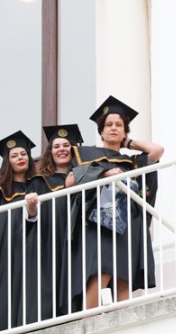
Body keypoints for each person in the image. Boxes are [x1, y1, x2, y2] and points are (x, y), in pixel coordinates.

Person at [69, 95, 165, 307]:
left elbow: (157, 150)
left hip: (128, 223)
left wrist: (128, 143)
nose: (113, 128)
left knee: (124, 274)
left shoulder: (132, 162)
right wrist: (104, 173)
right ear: (101, 131)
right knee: (101, 270)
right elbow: (69, 181)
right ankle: (89, 317)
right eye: (109, 125)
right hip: (99, 222)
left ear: (125, 131)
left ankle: (123, 316)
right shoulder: (87, 154)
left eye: (119, 125)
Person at [0, 132, 45, 333]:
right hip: (3, 247)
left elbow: (39, 218)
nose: (20, 158)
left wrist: (32, 209)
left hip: (30, 245)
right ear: (7, 161)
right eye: (15, 155)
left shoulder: (39, 185)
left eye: (24, 154)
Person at [36, 124, 85, 319]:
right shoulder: (40, 182)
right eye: (56, 146)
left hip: (79, 234)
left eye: (66, 145)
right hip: (52, 237)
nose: (62, 149)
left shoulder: (84, 174)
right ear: (51, 152)